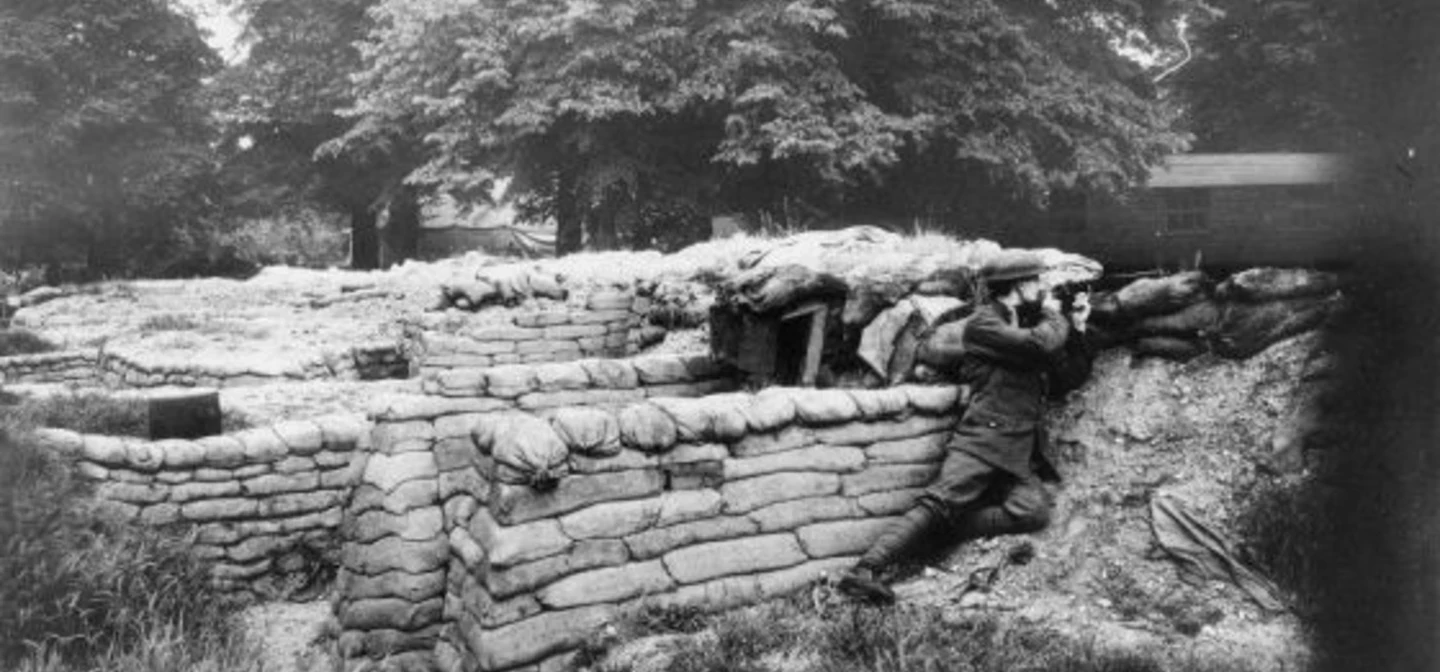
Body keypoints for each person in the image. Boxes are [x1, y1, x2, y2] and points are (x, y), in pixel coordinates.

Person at [838, 250, 1095, 604]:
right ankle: (865, 570)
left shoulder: (1025, 324)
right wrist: (1054, 312)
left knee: (1033, 511)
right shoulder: (984, 324)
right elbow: (1042, 343)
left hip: (1017, 446)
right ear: (1017, 285)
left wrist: (1077, 327)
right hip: (983, 438)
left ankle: (938, 535)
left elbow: (1069, 377)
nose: (1040, 287)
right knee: (940, 500)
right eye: (1035, 281)